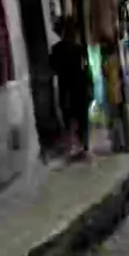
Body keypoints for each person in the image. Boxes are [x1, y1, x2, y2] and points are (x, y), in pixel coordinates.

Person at [50, 16, 92, 159]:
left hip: (65, 89)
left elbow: (53, 68)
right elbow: (86, 69)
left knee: (68, 118)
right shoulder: (80, 49)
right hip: (80, 88)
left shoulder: (56, 49)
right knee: (82, 118)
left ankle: (72, 145)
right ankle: (84, 145)